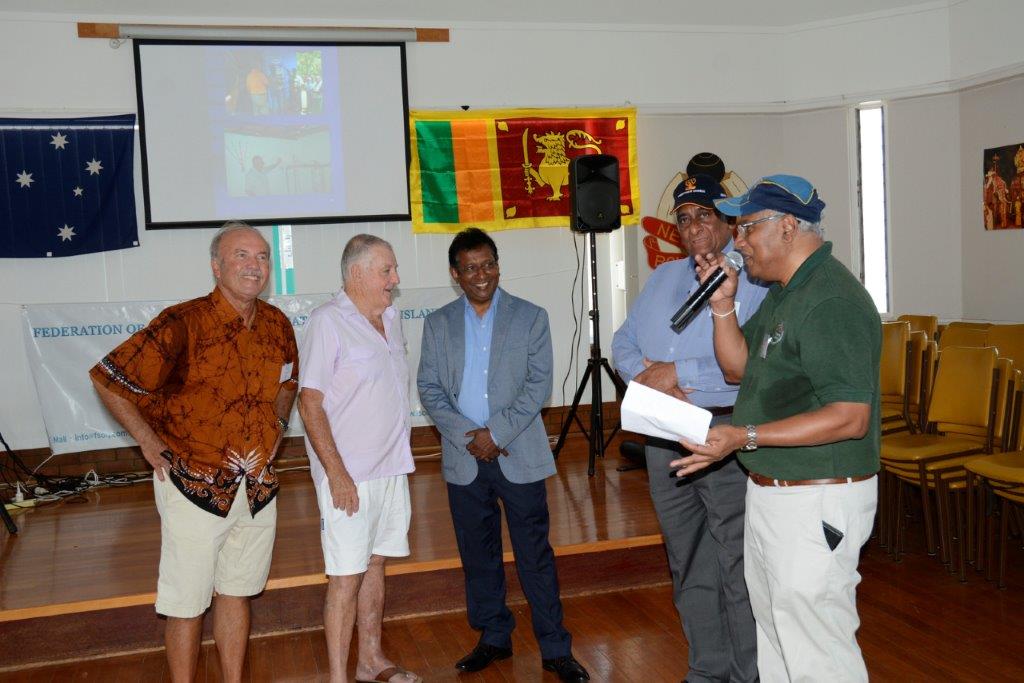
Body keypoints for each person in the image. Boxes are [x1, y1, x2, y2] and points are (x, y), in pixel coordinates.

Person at [674, 175, 881, 682]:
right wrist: (722, 305)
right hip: (774, 491)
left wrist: (744, 436)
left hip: (817, 495)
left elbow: (850, 416)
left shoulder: (830, 299)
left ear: (788, 226)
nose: (738, 242)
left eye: (747, 228)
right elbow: (737, 368)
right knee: (775, 637)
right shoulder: (786, 292)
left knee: (818, 651)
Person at [89, 222, 298, 683]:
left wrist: (279, 428)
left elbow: (288, 384)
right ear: (216, 266)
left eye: (262, 256)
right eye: (241, 255)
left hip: (257, 489)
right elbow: (109, 379)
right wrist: (148, 442)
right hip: (192, 486)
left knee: (237, 593)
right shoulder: (182, 322)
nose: (254, 265)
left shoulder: (277, 325)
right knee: (186, 604)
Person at [611, 174, 766, 682]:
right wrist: (647, 378)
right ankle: (706, 670)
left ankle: (747, 674)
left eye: (704, 214)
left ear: (728, 222)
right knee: (687, 559)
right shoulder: (663, 278)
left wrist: (678, 373)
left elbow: (752, 364)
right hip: (664, 435)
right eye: (684, 218)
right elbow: (623, 342)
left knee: (737, 562)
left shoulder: (755, 281)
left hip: (725, 436)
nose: (694, 225)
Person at [417, 228, 589, 682]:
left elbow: (538, 385)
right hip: (464, 457)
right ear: (456, 274)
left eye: (489, 264)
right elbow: (429, 388)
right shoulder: (438, 324)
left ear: (498, 266)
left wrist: (495, 433)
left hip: (519, 453)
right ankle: (494, 637)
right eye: (471, 268)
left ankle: (555, 648)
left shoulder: (531, 317)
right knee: (478, 556)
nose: (482, 275)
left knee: (535, 555)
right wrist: (470, 436)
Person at [297, 234, 420, 683]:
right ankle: (337, 676)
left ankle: (370, 661)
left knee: (376, 564)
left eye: (394, 269)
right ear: (357, 274)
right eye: (387, 270)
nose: (396, 278)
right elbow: (309, 403)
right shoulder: (327, 322)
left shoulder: (392, 318)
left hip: (393, 470)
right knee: (345, 577)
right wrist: (337, 474)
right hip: (349, 477)